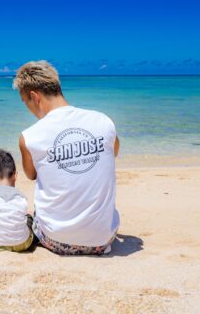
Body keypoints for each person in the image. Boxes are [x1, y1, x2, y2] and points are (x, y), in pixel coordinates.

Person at [15, 60, 121, 255]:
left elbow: (31, 175)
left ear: (34, 96)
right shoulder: (103, 121)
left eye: (25, 102)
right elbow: (112, 153)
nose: (28, 108)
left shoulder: (30, 136)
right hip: (102, 239)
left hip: (55, 240)